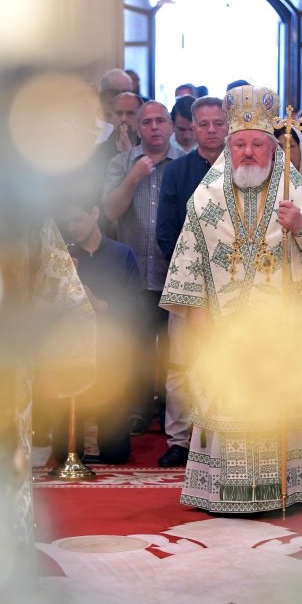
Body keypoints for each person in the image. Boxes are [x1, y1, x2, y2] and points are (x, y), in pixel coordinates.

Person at [160, 84, 302, 513]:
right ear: (228, 145)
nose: (247, 152)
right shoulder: (206, 197)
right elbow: (190, 261)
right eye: (238, 143)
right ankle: (226, 490)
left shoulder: (292, 192)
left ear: (272, 148)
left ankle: (285, 487)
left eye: (257, 144)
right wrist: (199, 318)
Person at [156, 97, 229, 467]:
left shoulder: (245, 169)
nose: (212, 130)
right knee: (182, 363)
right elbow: (166, 231)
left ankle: (218, 437)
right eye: (205, 124)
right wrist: (192, 275)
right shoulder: (178, 171)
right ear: (193, 127)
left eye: (219, 123)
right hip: (188, 282)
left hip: (234, 288)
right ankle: (180, 440)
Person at [102, 101, 179, 435]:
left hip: (174, 271)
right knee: (138, 343)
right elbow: (110, 212)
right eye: (146, 122)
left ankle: (168, 409)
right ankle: (138, 408)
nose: (154, 127)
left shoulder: (184, 164)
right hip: (134, 273)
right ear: (138, 127)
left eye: (160, 120)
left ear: (171, 126)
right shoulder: (121, 163)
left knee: (173, 346)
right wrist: (133, 179)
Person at [53, 199, 143, 464]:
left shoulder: (122, 253)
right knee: (64, 454)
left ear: (94, 213)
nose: (73, 227)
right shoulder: (65, 257)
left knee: (116, 454)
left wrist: (99, 304)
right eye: (68, 222)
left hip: (111, 346)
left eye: (78, 219)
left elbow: (136, 308)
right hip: (73, 347)